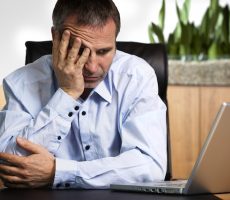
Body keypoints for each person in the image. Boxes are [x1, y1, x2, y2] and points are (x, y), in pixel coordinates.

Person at [0, 0, 167, 189]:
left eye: (104, 51)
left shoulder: (136, 77)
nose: (92, 67)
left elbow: (150, 165)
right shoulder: (22, 83)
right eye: (80, 50)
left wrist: (59, 172)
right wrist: (67, 93)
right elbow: (9, 166)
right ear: (56, 37)